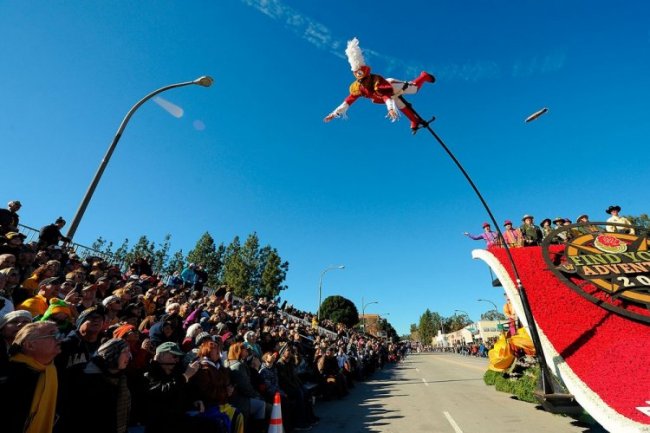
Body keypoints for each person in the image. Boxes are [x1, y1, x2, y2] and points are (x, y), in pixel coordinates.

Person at [324, 38, 435, 132]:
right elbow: (347, 102)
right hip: (387, 95)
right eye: (361, 80)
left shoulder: (376, 81)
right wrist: (333, 114)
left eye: (365, 78)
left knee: (414, 89)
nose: (363, 81)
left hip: (391, 86)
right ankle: (413, 120)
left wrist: (390, 109)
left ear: (368, 74)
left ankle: (423, 76)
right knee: (400, 105)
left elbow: (386, 96)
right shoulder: (357, 87)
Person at [1, 321, 61, 433]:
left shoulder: (51, 369)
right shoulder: (9, 377)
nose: (59, 339)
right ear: (30, 345)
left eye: (59, 334)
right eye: (53, 335)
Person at [64, 338, 132, 433]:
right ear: (112, 354)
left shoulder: (121, 378)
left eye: (129, 351)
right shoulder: (88, 381)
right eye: (124, 351)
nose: (129, 355)